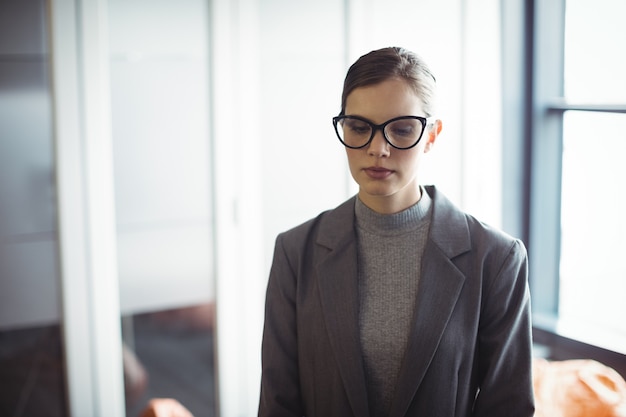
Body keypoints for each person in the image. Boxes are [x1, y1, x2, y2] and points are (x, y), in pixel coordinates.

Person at [258, 46, 535, 417]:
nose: (378, 149)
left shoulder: (496, 259)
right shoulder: (296, 251)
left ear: (432, 135)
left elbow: (508, 407)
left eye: (401, 130)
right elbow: (278, 403)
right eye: (359, 127)